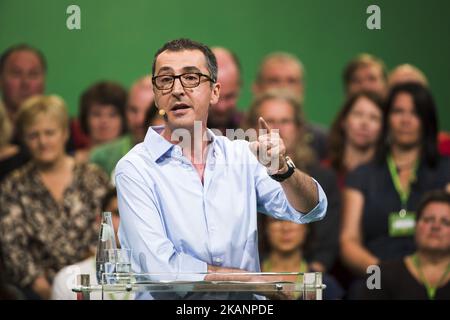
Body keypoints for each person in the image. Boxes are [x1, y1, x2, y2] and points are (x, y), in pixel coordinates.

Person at [115, 39, 327, 294]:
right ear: (157, 94)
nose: (178, 89)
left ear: (215, 91)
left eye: (191, 78)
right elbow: (162, 270)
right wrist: (254, 281)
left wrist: (284, 171)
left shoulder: (242, 154)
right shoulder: (135, 168)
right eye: (166, 80)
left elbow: (312, 209)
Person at [0, 95, 111, 299]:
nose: (43, 142)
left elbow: (111, 228)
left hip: (92, 278)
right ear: (24, 139)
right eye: (33, 135)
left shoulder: (93, 177)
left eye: (50, 133)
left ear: (65, 134)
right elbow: (12, 247)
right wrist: (46, 289)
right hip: (37, 288)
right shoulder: (13, 186)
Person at [340, 83, 450, 279]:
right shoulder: (362, 175)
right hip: (377, 275)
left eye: (415, 113)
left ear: (427, 120)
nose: (405, 120)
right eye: (398, 111)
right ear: (387, 118)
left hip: (437, 275)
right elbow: (349, 242)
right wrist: (385, 274)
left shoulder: (446, 171)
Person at [246, 89, 340, 272]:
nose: (277, 129)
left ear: (299, 129)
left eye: (285, 121)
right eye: (269, 121)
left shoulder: (323, 177)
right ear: (252, 128)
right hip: (252, 276)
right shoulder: (239, 174)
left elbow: (327, 245)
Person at [361, 190, 450, 300]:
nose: (436, 226)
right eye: (428, 220)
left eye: (446, 222)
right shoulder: (378, 273)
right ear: (415, 226)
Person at [51, 188, 134, 300]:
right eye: (118, 213)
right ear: (101, 220)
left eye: (135, 215)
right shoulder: (68, 281)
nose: (126, 221)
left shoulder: (161, 279)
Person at [252, 52, 328, 160]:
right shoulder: (237, 138)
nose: (283, 87)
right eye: (274, 80)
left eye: (291, 81)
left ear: (302, 89)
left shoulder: (323, 142)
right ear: (256, 88)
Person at [89, 76, 161, 177]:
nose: (140, 120)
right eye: (133, 110)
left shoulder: (179, 154)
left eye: (149, 112)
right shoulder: (101, 157)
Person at [260, 215, 344, 299]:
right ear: (265, 227)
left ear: (307, 227)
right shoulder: (249, 278)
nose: (286, 228)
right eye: (276, 220)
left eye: (294, 218)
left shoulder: (325, 285)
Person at [326, 91, 384, 189]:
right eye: (358, 114)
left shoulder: (387, 177)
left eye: (374, 118)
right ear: (343, 121)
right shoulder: (324, 170)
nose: (364, 123)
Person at [75, 81, 128, 163]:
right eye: (97, 114)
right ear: (85, 118)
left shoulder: (133, 159)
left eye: (112, 114)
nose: (104, 121)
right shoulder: (72, 161)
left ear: (124, 120)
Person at [0, 44, 46, 130]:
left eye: (33, 74)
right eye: (16, 73)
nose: (25, 83)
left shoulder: (67, 132)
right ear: (1, 79)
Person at [207, 47, 243, 134]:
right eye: (214, 94)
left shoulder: (254, 133)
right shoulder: (175, 134)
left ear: (239, 88)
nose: (221, 108)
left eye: (229, 96)